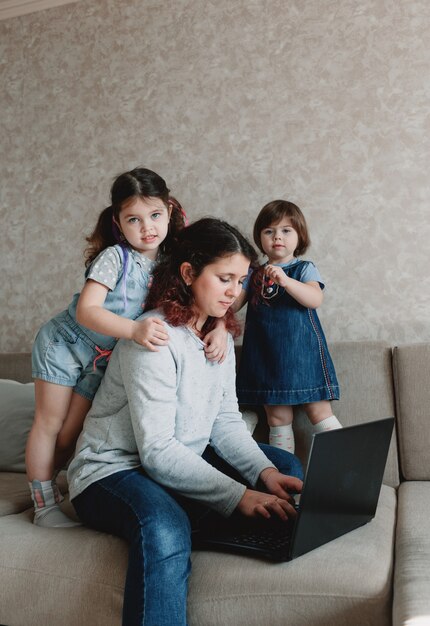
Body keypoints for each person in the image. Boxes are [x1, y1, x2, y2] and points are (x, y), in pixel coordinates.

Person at [68, 217, 303, 626]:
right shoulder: (153, 338)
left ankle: (212, 511)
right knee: (164, 524)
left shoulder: (219, 334)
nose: (234, 292)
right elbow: (157, 451)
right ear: (189, 273)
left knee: (284, 470)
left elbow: (225, 422)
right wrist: (240, 496)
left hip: (178, 458)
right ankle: (198, 514)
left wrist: (263, 474)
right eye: (224, 278)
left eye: (241, 280)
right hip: (113, 470)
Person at [26, 168, 224, 529]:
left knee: (72, 433)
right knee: (50, 422)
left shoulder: (171, 260)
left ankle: (56, 487)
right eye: (133, 219)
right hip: (68, 343)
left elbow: (215, 287)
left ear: (170, 210)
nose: (146, 227)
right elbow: (88, 311)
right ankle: (42, 506)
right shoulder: (114, 258)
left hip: (103, 359)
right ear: (118, 222)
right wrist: (134, 329)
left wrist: (222, 325)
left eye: (155, 215)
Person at [235, 200, 341, 453]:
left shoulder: (304, 268)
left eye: (286, 230)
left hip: (302, 355)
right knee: (278, 419)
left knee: (319, 411)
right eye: (269, 231)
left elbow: (314, 299)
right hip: (266, 358)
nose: (277, 237)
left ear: (299, 235)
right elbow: (232, 305)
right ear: (260, 237)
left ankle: (348, 463)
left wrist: (286, 281)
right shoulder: (254, 274)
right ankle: (287, 476)